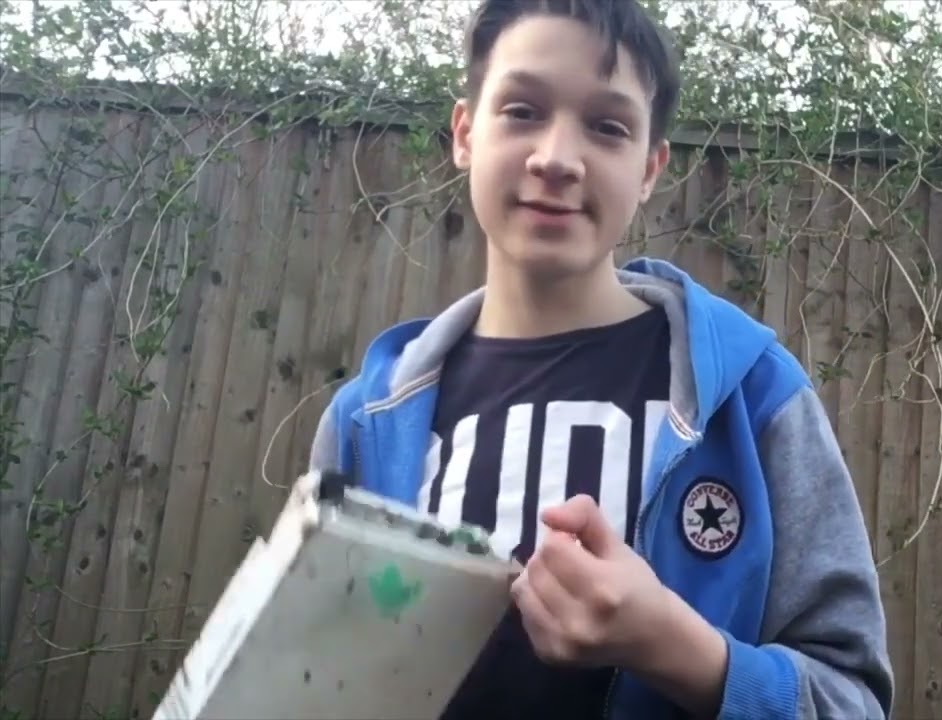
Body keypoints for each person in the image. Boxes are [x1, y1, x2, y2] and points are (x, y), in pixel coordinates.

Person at [307, 0, 893, 717]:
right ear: (465, 133)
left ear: (649, 168)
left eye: (608, 126)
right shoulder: (365, 424)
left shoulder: (757, 399)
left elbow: (853, 700)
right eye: (522, 111)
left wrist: (677, 649)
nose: (556, 158)